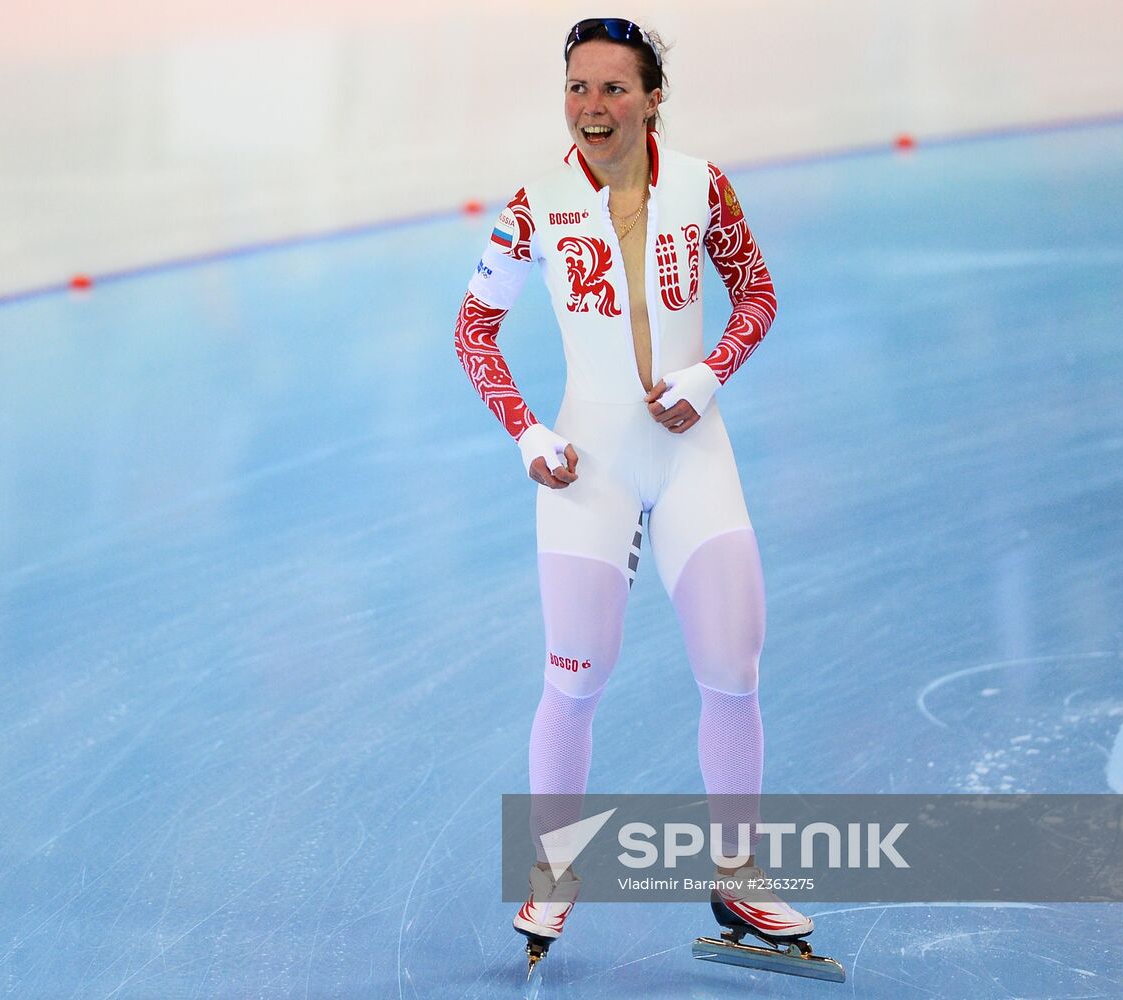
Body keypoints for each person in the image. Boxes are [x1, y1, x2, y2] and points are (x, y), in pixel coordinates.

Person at [454, 17, 825, 977]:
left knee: (733, 666)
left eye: (614, 88)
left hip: (693, 453)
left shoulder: (703, 183)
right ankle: (554, 872)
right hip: (591, 467)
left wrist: (708, 375)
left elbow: (756, 295)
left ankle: (736, 874)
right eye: (577, 88)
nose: (592, 107)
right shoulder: (534, 204)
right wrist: (530, 434)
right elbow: (472, 330)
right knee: (575, 680)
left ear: (652, 97)